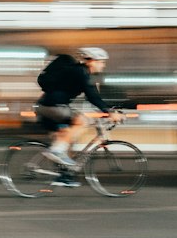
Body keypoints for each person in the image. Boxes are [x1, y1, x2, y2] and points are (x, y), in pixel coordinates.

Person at [35, 46, 121, 184]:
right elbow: (92, 96)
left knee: (67, 140)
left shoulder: (80, 72)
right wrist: (109, 112)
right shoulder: (81, 72)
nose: (103, 65)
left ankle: (64, 177)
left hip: (50, 106)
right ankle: (56, 152)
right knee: (81, 121)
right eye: (101, 61)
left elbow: (93, 96)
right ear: (91, 61)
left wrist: (107, 109)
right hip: (51, 107)